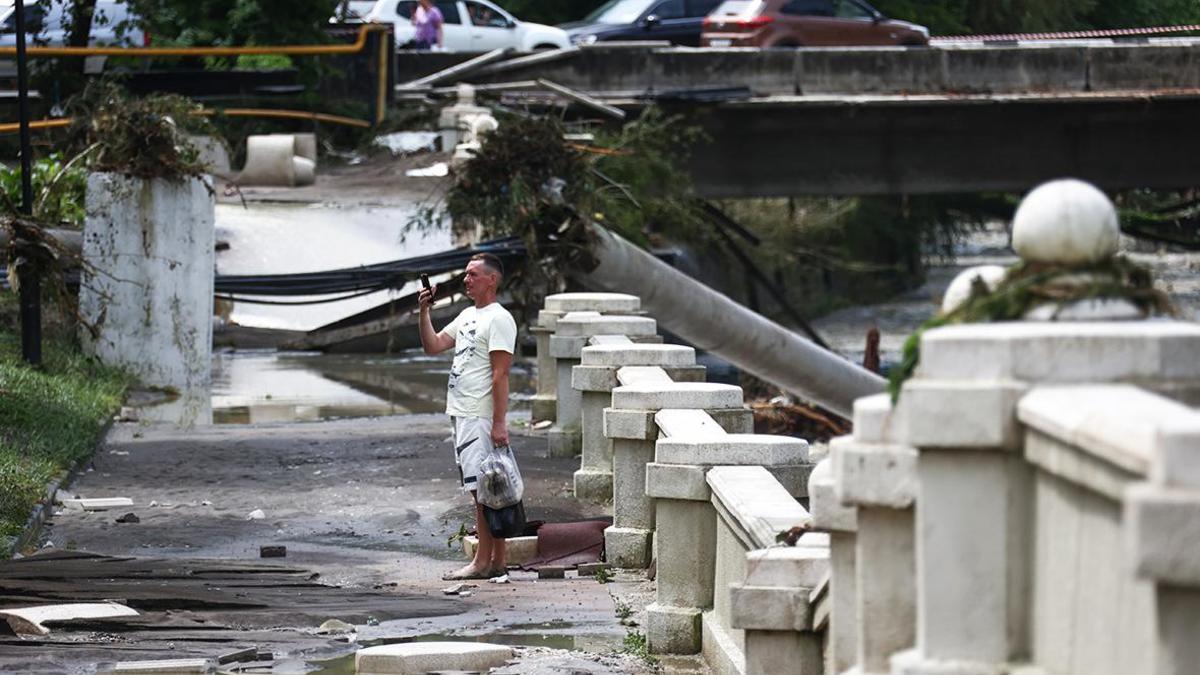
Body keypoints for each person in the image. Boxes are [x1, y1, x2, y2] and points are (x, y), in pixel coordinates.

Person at [418, 253, 517, 580]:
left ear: (492, 280)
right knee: (490, 486)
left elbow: (500, 374)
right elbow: (433, 346)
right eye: (466, 274)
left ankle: (481, 561)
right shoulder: (466, 316)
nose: (466, 279)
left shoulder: (499, 319)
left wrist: (499, 422)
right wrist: (424, 311)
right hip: (462, 411)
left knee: (483, 491)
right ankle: (496, 562)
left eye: (473, 274)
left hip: (480, 413)